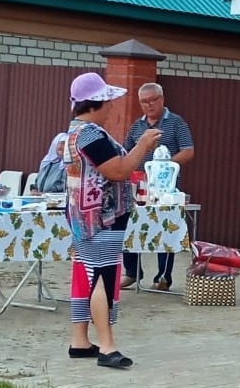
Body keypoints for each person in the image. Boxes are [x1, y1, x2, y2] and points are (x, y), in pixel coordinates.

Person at [64, 72, 162, 369]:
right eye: (108, 101)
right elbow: (118, 170)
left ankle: (80, 340)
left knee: (86, 274)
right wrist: (142, 145)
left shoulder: (74, 132)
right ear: (95, 104)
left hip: (84, 215)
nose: (112, 107)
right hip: (101, 217)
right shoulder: (91, 133)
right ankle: (107, 347)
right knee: (103, 277)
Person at [120, 82, 194, 291]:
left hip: (166, 190)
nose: (149, 105)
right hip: (139, 187)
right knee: (130, 225)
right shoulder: (137, 126)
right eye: (144, 102)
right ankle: (132, 272)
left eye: (153, 100)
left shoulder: (176, 123)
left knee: (166, 228)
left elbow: (188, 151)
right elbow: (125, 153)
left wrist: (165, 167)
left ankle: (163, 277)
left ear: (162, 99)